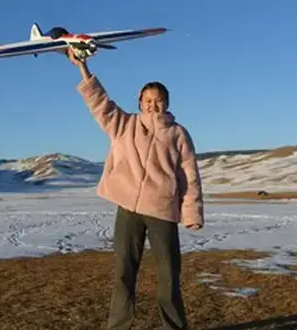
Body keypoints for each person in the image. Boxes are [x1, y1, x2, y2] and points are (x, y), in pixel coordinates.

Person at [68, 47, 204, 330]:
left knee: (168, 275)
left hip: (162, 211)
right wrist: (82, 67)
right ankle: (118, 326)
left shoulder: (178, 133)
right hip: (128, 210)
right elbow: (99, 102)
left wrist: (191, 213)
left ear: (167, 103)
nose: (153, 104)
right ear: (140, 102)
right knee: (123, 273)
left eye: (159, 100)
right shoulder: (124, 125)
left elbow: (189, 175)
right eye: (148, 99)